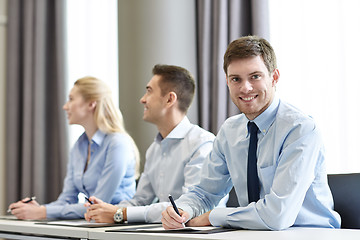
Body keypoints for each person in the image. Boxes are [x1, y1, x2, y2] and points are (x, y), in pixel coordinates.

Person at [161, 36, 341, 230]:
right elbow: (205, 192)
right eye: (236, 79)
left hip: (310, 234)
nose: (245, 88)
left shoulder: (301, 129)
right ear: (228, 82)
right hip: (253, 233)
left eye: (255, 76)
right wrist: (182, 210)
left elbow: (277, 215)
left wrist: (213, 216)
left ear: (274, 77)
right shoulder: (229, 131)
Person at [84, 64, 222, 224]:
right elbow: (140, 201)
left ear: (170, 99)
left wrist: (121, 213)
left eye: (149, 91)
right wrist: (106, 210)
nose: (142, 99)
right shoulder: (154, 149)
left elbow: (185, 209)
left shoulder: (202, 144)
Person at [8, 76, 139, 219]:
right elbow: (67, 199)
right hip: (93, 225)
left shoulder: (117, 144)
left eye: (71, 99)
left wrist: (43, 212)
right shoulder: (79, 146)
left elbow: (98, 205)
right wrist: (38, 209)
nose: (65, 106)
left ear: (91, 104)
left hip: (118, 226)